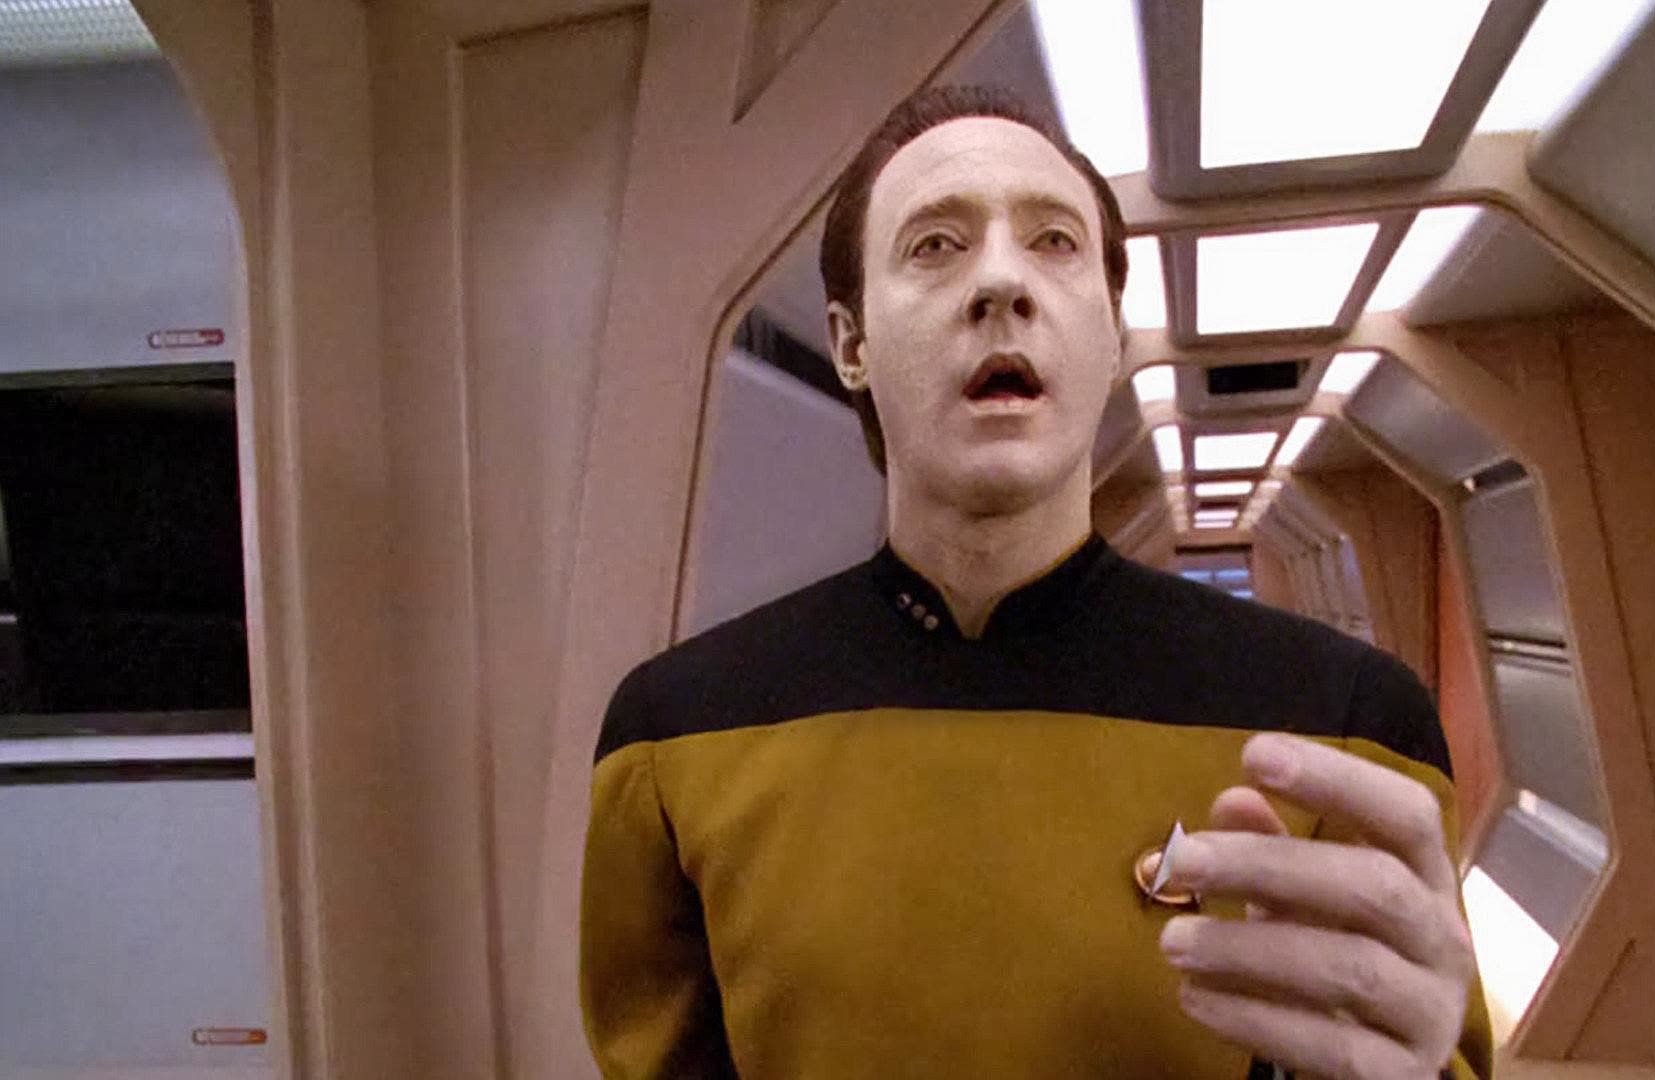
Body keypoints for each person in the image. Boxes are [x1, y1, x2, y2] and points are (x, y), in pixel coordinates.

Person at [580, 85, 1492, 1080]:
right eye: (935, 245)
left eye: (1054, 242)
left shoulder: (1348, 728)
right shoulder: (670, 739)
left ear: (1111, 335)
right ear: (851, 344)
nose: (1001, 281)